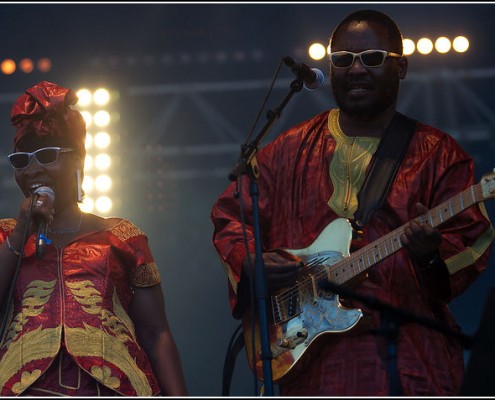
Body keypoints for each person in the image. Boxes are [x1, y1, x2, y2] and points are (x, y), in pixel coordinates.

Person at [210, 9, 495, 396]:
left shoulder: (438, 154)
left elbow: (471, 239)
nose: (356, 69)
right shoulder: (286, 149)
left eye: (372, 58)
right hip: (311, 367)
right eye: (343, 61)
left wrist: (430, 255)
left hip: (405, 361)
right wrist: (252, 262)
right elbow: (233, 216)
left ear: (402, 67)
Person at [0, 81, 188, 396]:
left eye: (46, 155)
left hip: (111, 387)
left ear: (77, 160)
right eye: (21, 160)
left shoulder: (121, 236)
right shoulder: (7, 235)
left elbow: (156, 334)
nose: (32, 169)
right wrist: (22, 231)